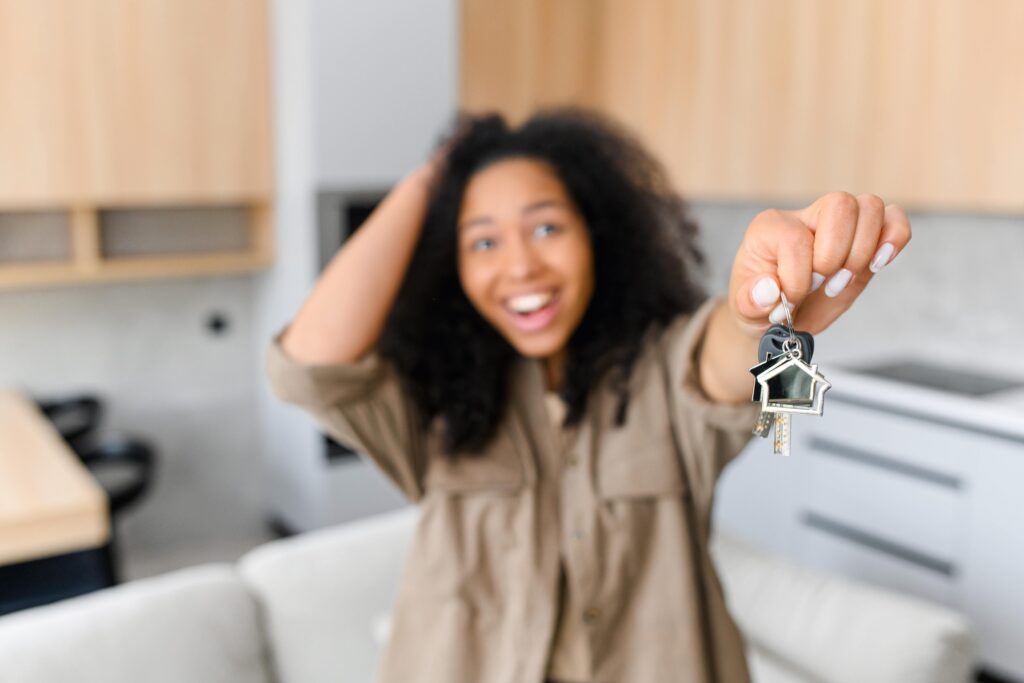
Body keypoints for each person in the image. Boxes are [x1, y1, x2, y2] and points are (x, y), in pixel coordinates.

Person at [265, 108, 911, 683]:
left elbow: (717, 363)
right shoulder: (431, 399)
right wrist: (435, 175)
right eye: (483, 240)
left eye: (545, 228)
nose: (520, 267)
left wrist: (754, 315)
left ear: (597, 233)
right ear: (450, 265)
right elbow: (308, 367)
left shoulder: (657, 369)